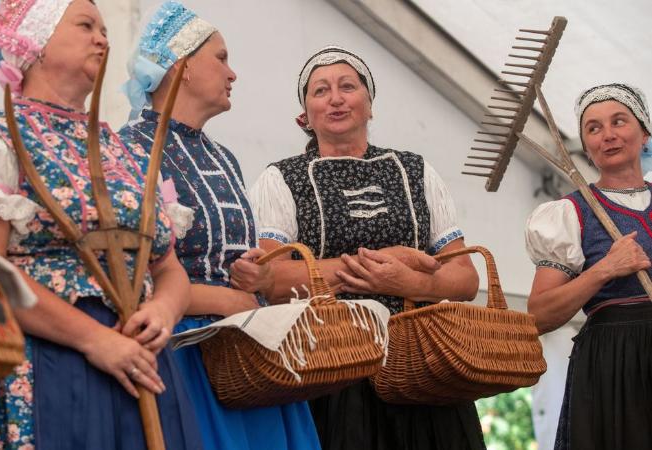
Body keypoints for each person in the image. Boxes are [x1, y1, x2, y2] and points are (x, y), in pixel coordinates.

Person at [0, 0, 203, 448]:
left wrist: (163, 309)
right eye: (86, 25)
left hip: (143, 360)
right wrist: (94, 340)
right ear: (36, 43)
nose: (102, 38)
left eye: (104, 28)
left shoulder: (126, 154)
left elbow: (168, 268)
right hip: (52, 362)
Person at [248, 45, 484, 450]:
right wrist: (379, 266)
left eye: (348, 86)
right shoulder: (280, 180)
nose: (336, 98)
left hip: (422, 366)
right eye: (320, 90)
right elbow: (270, 281)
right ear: (304, 115)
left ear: (370, 105)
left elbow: (464, 278)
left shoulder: (416, 171)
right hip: (331, 368)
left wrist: (407, 280)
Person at [118, 3, 320, 450]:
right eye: (221, 58)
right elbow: (128, 274)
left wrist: (257, 274)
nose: (233, 74)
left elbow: (232, 260)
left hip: (245, 360)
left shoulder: (224, 157)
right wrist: (228, 298)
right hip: (184, 359)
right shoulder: (128, 150)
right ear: (183, 67)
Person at [525, 83, 652, 450]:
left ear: (644, 133)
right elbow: (539, 315)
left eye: (619, 122)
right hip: (613, 367)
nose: (608, 135)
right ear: (586, 145)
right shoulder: (570, 213)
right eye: (594, 128)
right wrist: (604, 270)